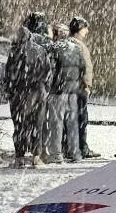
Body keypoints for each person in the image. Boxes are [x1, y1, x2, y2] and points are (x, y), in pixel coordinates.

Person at [5, 12, 52, 168]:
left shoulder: (15, 52)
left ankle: (19, 156)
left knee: (19, 125)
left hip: (20, 93)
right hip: (38, 92)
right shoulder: (40, 50)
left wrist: (10, 91)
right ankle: (36, 156)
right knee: (37, 124)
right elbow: (47, 73)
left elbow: (9, 74)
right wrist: (44, 89)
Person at [48, 23, 86, 162]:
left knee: (56, 122)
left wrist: (51, 85)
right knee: (72, 123)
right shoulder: (76, 48)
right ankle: (75, 152)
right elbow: (82, 67)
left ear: (57, 35)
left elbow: (51, 69)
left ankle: (56, 154)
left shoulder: (54, 48)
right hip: (73, 91)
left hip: (58, 90)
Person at [69, 16, 97, 159]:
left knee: (78, 119)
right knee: (81, 119)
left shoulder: (75, 44)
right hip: (80, 88)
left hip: (78, 87)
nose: (86, 31)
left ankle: (78, 147)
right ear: (79, 29)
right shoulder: (77, 46)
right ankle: (81, 147)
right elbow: (82, 67)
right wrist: (86, 85)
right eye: (85, 28)